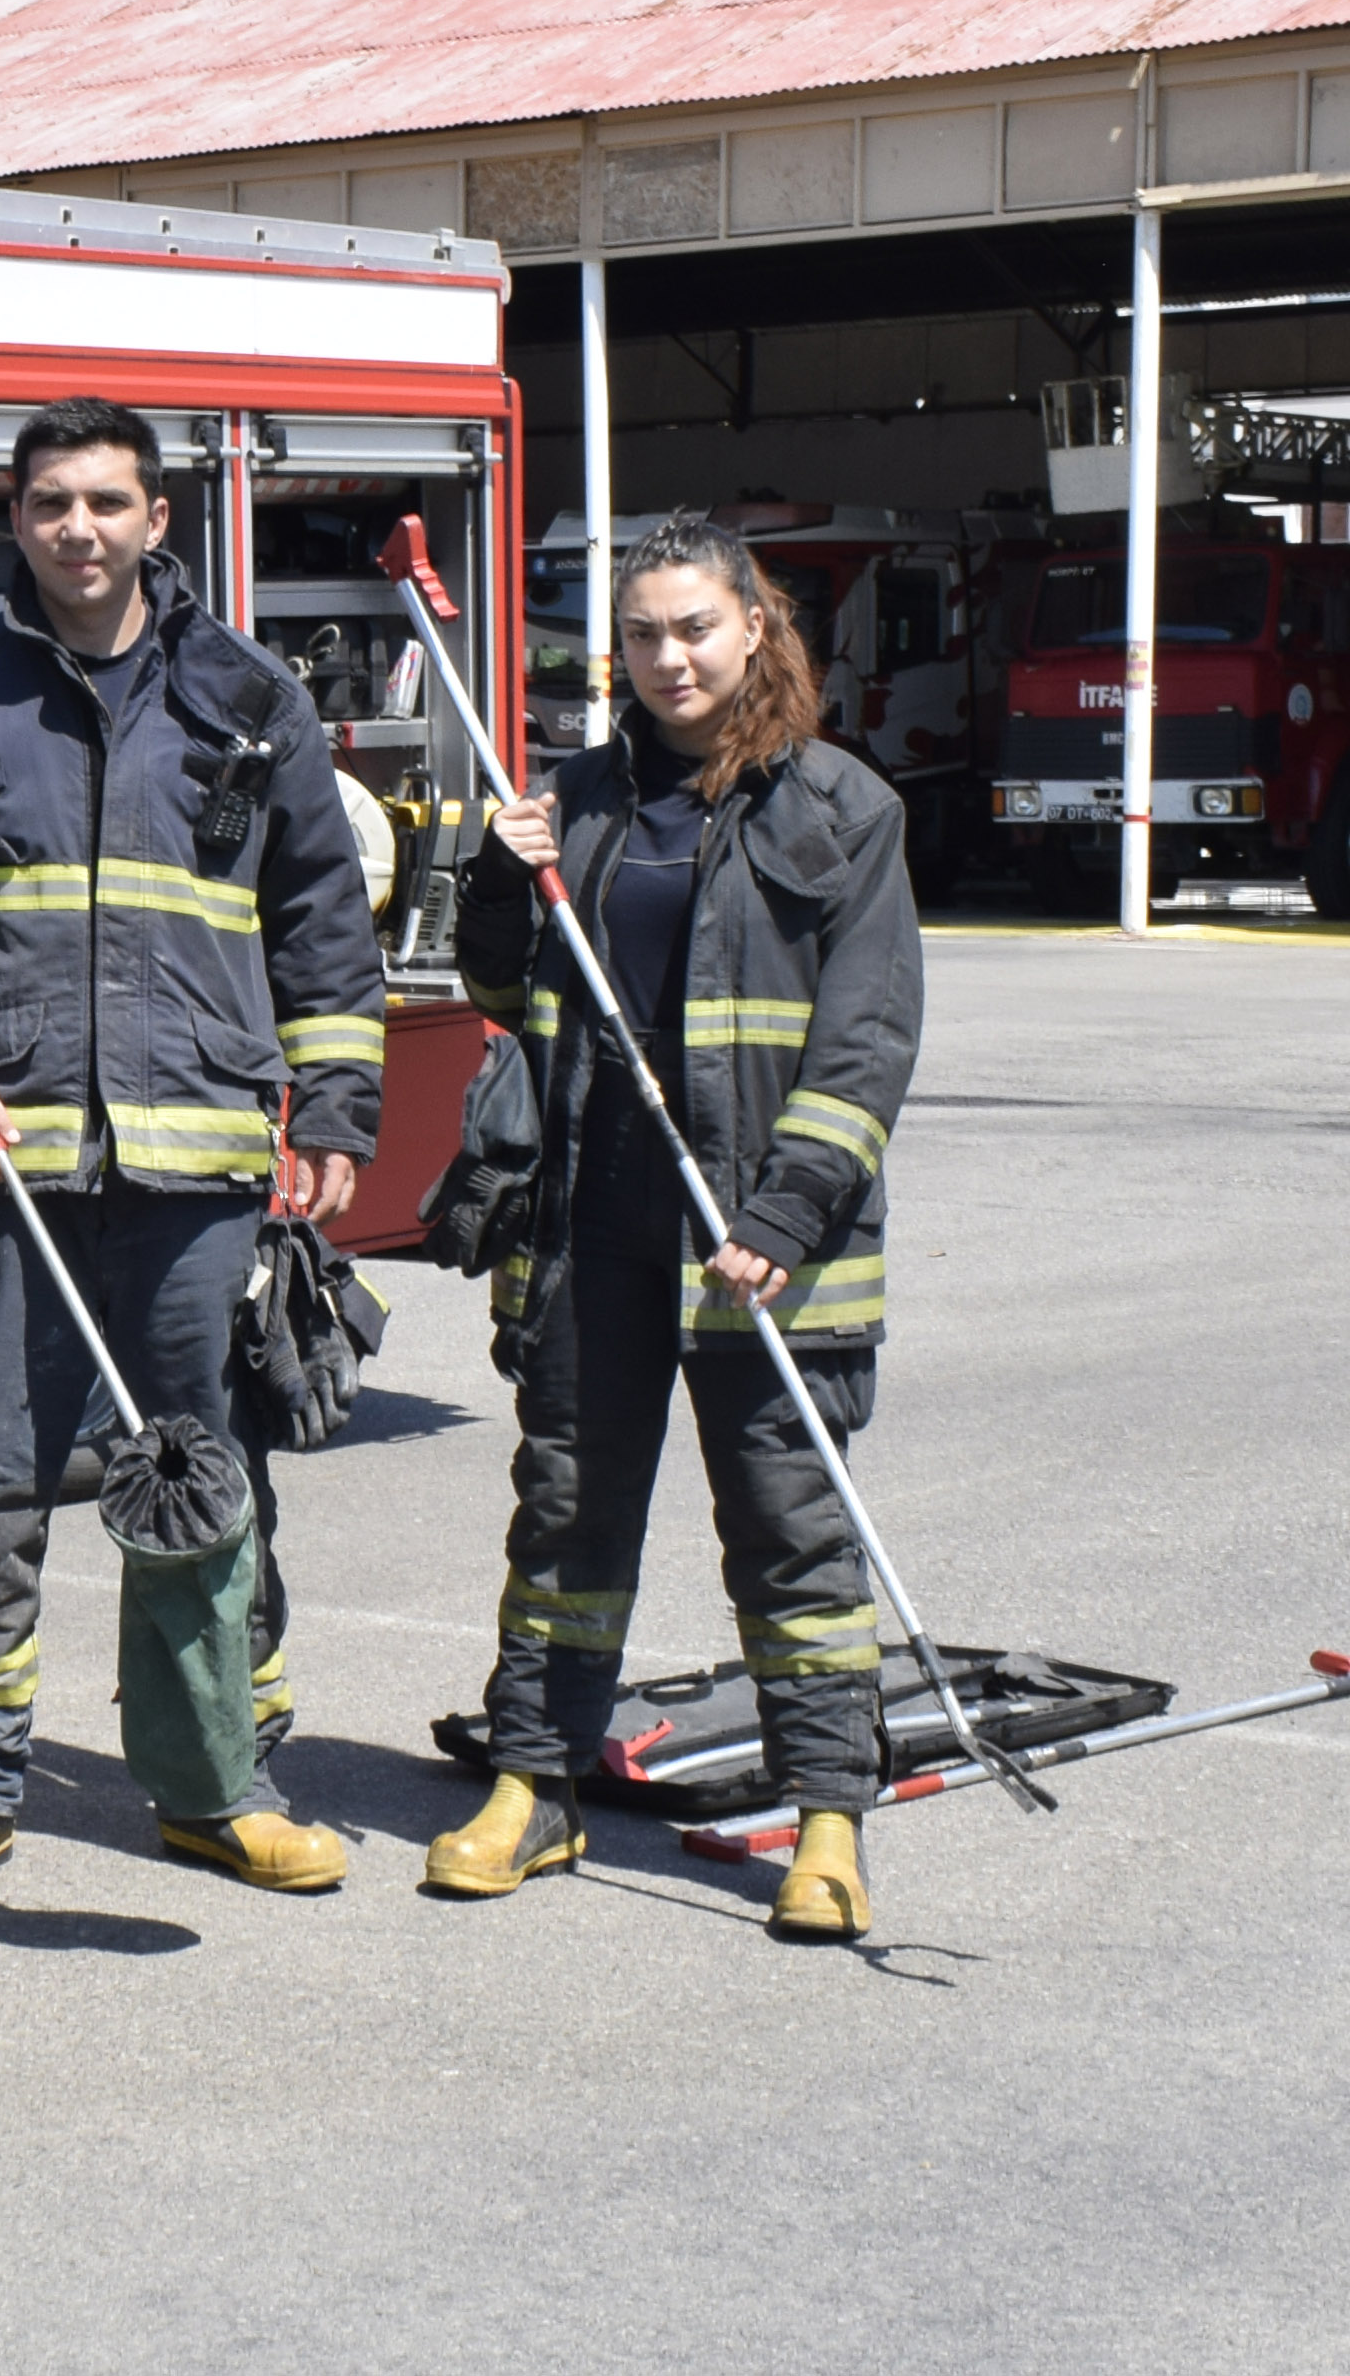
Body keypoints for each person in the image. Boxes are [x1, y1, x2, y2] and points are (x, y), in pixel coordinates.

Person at [0, 398, 388, 1903]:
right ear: (13, 521)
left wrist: (338, 1102)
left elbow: (322, 920)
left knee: (201, 1475)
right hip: (3, 1163)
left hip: (196, 1166)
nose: (79, 527)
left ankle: (216, 1784)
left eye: (106, 501)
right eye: (51, 502)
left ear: (157, 518)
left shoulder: (247, 695)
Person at [424, 516, 922, 1941]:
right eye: (641, 635)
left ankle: (828, 1818)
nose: (668, 658)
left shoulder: (842, 807)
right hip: (595, 1222)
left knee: (789, 1526)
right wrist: (498, 877)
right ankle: (534, 1784)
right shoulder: (578, 799)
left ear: (753, 625)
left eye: (694, 628)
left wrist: (787, 1207)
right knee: (567, 1513)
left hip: (761, 1240)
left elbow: (868, 1037)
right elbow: (505, 990)